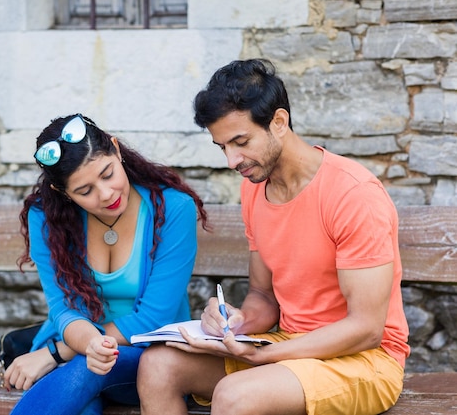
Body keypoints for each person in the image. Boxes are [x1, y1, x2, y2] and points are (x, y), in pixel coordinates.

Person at [137, 59, 410, 415]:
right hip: (290, 346)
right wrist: (234, 323)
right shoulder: (255, 189)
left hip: (364, 360)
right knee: (159, 365)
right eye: (223, 147)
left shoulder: (353, 194)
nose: (232, 160)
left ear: (278, 122)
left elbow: (366, 329)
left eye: (241, 141)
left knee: (237, 395)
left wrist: (265, 354)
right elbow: (263, 296)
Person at [3, 113, 208, 415]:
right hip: (77, 344)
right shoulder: (45, 217)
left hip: (147, 357)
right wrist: (85, 344)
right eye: (85, 192)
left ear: (116, 149)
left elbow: (154, 317)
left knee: (86, 370)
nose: (106, 194)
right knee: (84, 404)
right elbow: (63, 308)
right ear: (64, 193)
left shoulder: (173, 209)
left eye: (108, 174)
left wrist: (58, 352)